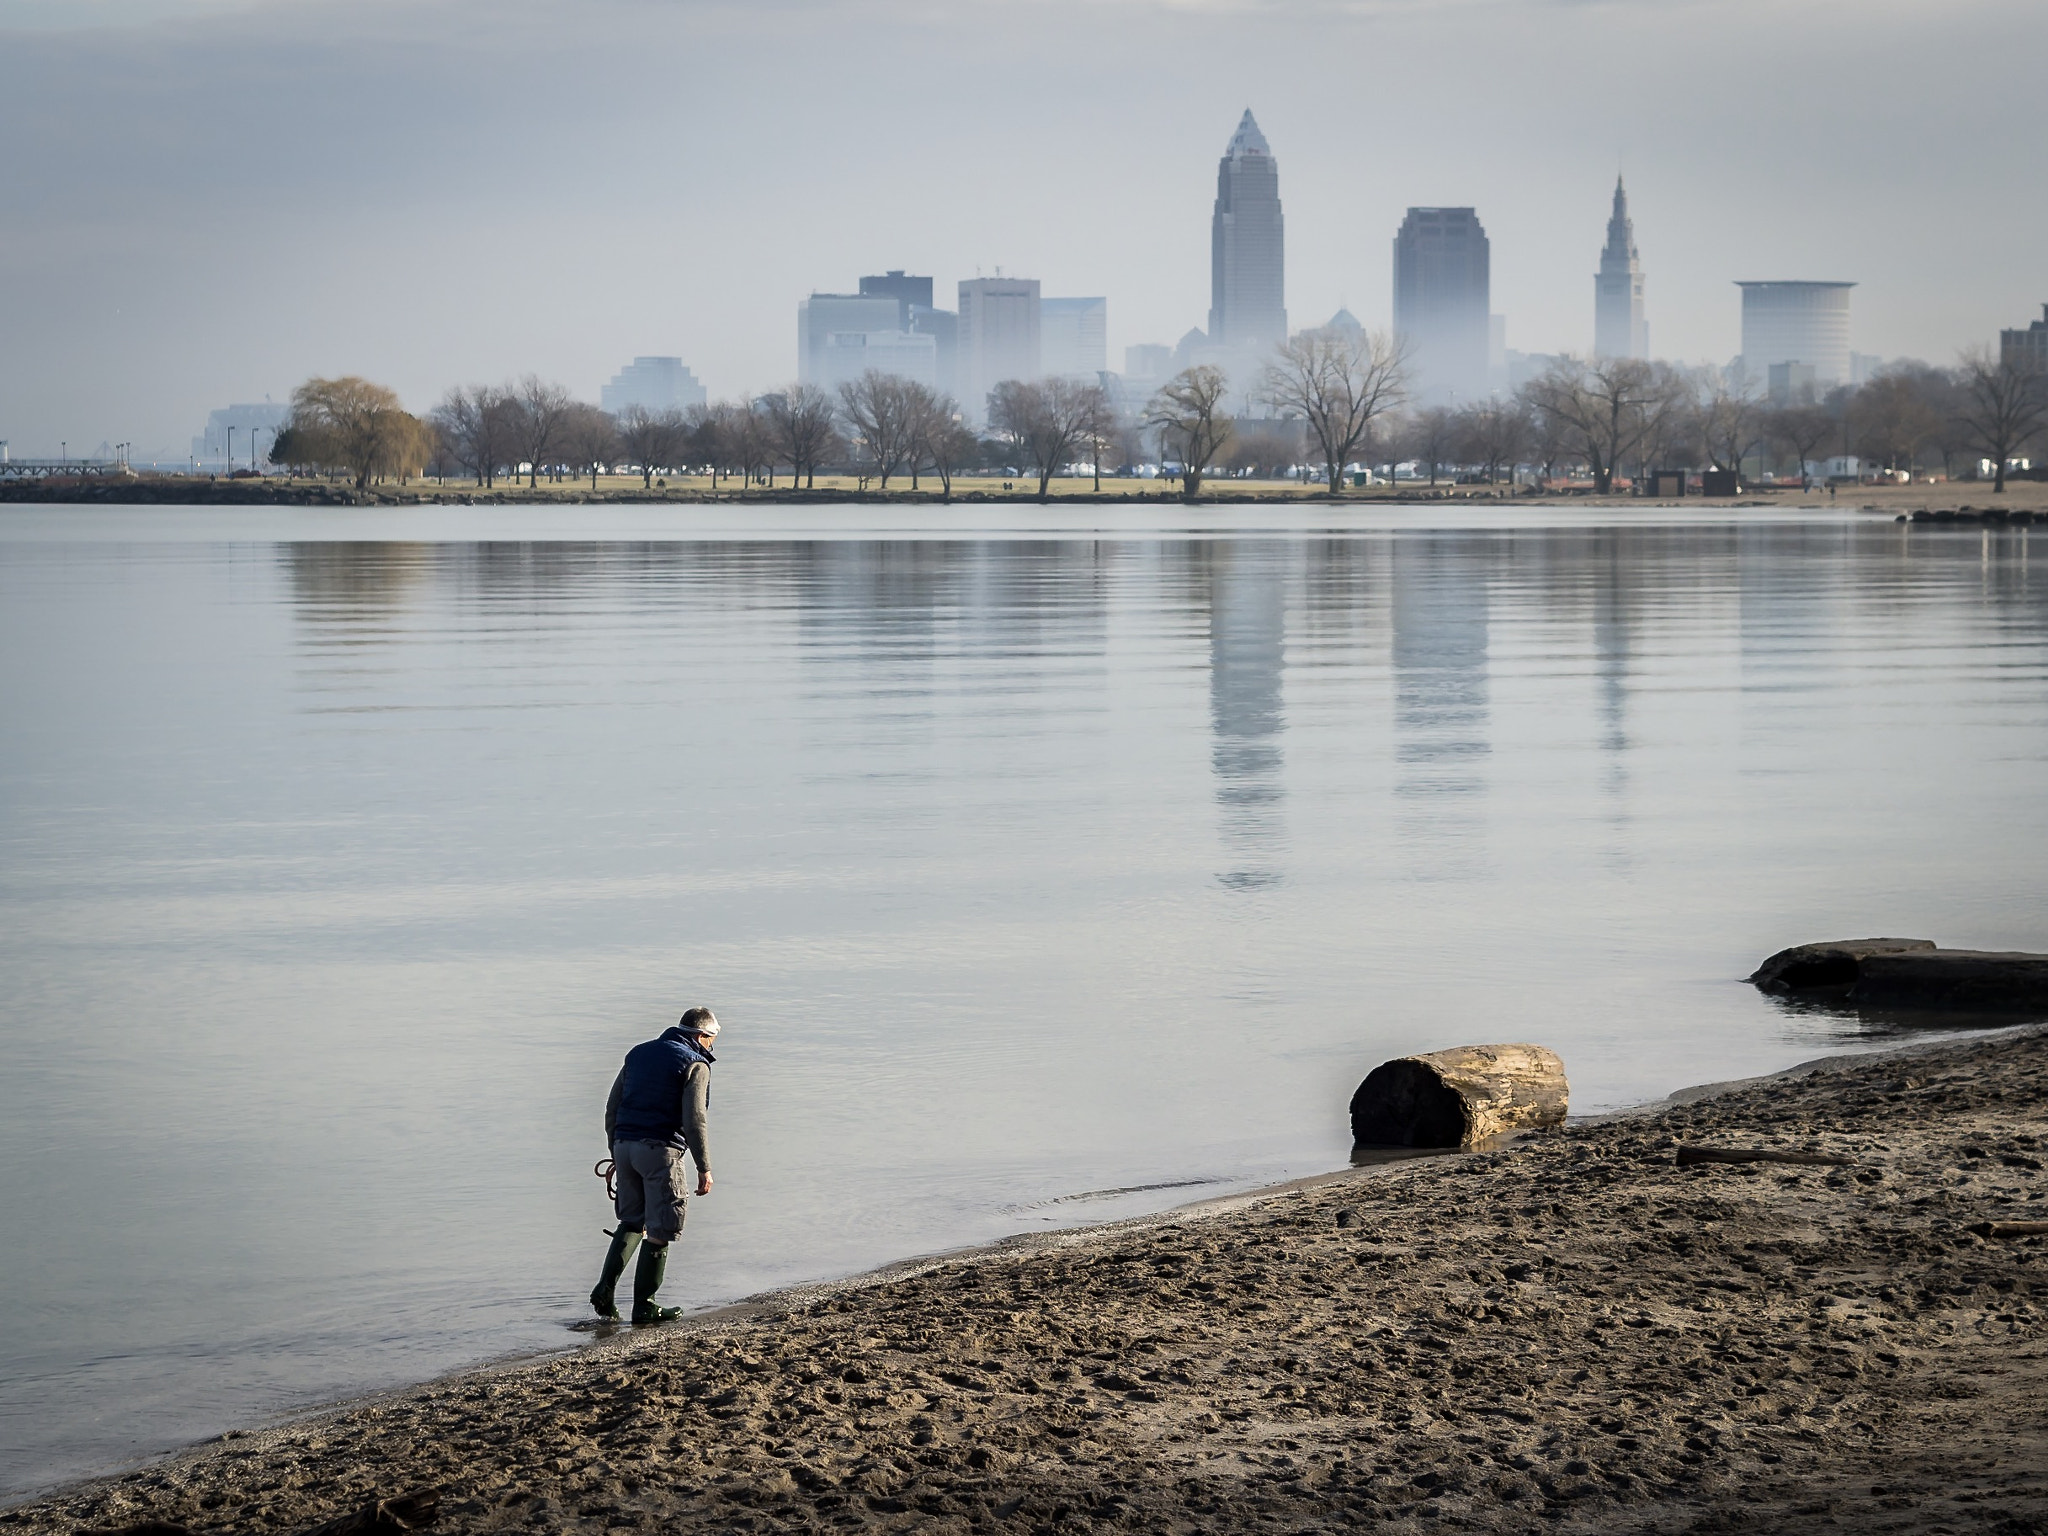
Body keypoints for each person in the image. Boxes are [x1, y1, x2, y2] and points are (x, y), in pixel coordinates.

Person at [590, 1006, 717, 1323]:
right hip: (660, 1150)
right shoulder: (696, 1064)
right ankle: (645, 1305)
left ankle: (604, 1291)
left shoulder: (638, 1053)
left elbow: (612, 1107)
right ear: (701, 1036)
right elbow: (694, 1119)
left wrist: (617, 1151)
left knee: (632, 1220)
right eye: (713, 1040)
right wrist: (704, 1167)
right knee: (661, 1226)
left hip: (624, 1145)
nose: (712, 1047)